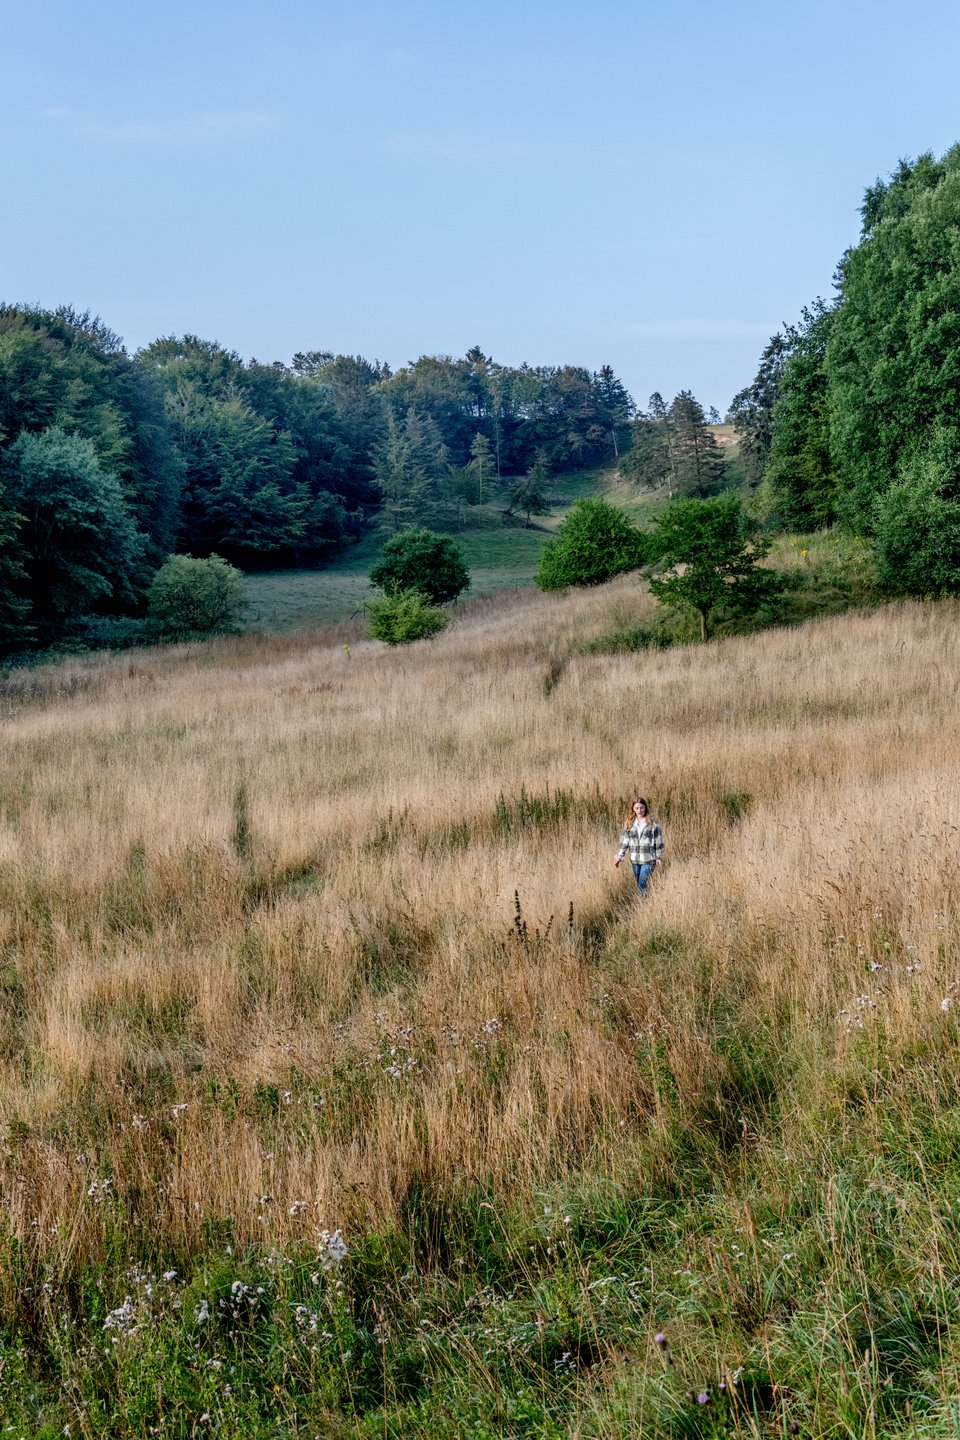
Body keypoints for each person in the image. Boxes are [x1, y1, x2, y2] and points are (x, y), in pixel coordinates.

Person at [614, 796, 665, 896]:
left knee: (642, 883)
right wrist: (620, 855)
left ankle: (640, 903)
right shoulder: (630, 823)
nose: (639, 810)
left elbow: (658, 840)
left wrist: (658, 857)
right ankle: (647, 899)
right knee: (640, 883)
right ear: (633, 808)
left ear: (645, 807)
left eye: (642, 807)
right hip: (635, 859)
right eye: (637, 808)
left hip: (648, 859)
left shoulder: (653, 823)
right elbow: (625, 841)